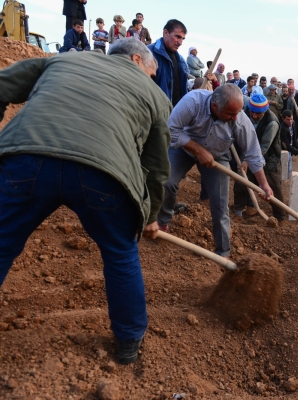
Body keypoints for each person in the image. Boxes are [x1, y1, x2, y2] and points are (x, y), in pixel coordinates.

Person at [0, 38, 172, 364]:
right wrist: (149, 216)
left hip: (28, 158)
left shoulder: (62, 61)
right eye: (150, 73)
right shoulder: (155, 96)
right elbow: (157, 166)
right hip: (104, 174)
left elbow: (2, 85)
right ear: (137, 59)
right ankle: (128, 343)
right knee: (120, 254)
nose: (150, 79)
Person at [158, 84, 273, 257]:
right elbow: (171, 130)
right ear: (215, 106)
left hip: (218, 155)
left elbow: (253, 153)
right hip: (183, 148)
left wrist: (263, 184)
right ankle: (163, 221)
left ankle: (223, 254)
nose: (235, 118)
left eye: (238, 113)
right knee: (166, 182)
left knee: (220, 206)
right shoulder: (192, 102)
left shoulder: (239, 119)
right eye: (230, 113)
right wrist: (198, 150)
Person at [233, 94, 284, 221]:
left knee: (273, 189)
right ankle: (238, 212)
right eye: (252, 112)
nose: (254, 116)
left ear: (265, 110)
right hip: (246, 153)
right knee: (240, 182)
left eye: (258, 114)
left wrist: (247, 161)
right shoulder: (244, 112)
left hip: (268, 158)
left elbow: (264, 147)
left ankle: (280, 217)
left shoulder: (271, 122)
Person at [148, 19, 189, 107]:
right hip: (156, 115)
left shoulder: (181, 61)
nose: (180, 42)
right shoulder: (147, 53)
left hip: (177, 114)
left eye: (182, 39)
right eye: (178, 37)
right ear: (166, 33)